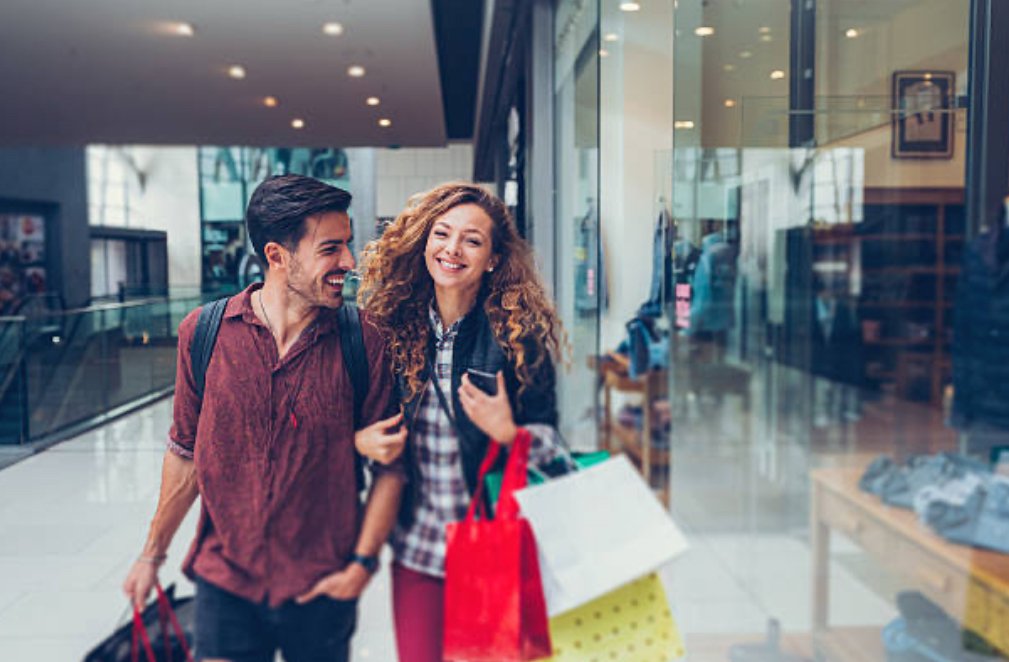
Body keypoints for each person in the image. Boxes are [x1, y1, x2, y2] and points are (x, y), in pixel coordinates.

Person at [122, 175, 405, 662]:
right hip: (225, 579)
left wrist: (361, 564)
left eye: (347, 244)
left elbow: (391, 468)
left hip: (322, 581)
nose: (349, 262)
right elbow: (186, 455)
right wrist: (152, 554)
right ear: (277, 255)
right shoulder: (204, 333)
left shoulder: (365, 340)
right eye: (330, 248)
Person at [354, 182, 574, 662]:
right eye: (442, 234)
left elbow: (554, 446)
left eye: (472, 240)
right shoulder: (391, 329)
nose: (452, 249)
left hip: (494, 544)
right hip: (417, 549)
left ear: (493, 259)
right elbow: (358, 416)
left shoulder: (518, 335)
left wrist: (509, 433)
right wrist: (360, 440)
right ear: (424, 242)